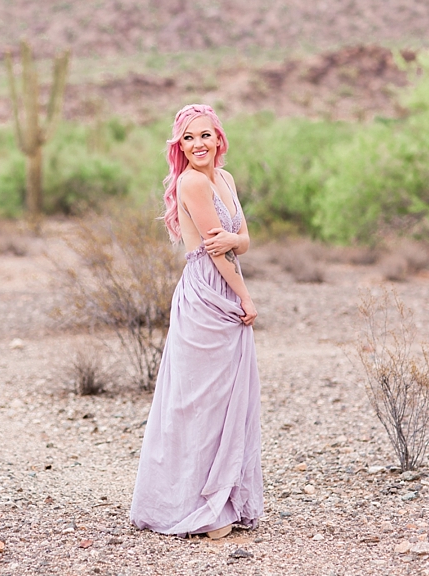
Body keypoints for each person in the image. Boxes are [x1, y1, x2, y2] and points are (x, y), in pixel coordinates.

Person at [129, 104, 263, 540]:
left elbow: (241, 241)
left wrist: (236, 242)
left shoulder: (224, 179)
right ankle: (193, 506)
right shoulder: (191, 182)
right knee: (196, 401)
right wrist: (245, 296)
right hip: (206, 294)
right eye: (188, 138)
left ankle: (223, 497)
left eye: (205, 135)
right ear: (179, 145)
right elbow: (217, 251)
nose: (198, 144)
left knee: (227, 399)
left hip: (225, 282)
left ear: (218, 139)